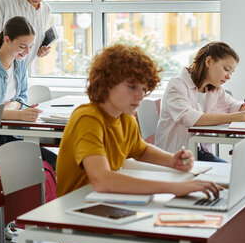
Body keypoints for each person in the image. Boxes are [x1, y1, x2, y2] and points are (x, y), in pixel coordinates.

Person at [56, 44, 222, 202]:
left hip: (105, 201)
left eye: (144, 89)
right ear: (107, 82)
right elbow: (102, 180)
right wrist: (174, 187)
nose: (140, 95)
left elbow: (140, 151)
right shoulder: (88, 118)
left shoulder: (125, 118)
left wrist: (171, 160)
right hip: (77, 208)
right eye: (132, 87)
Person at [155, 41, 245, 162]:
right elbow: (187, 117)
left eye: (231, 72)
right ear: (208, 62)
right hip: (174, 155)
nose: (229, 76)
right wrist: (233, 117)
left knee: (233, 172)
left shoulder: (213, 89)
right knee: (230, 174)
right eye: (226, 69)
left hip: (197, 152)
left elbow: (233, 105)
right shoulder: (177, 84)